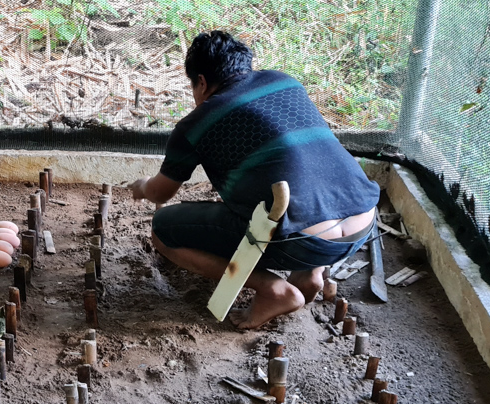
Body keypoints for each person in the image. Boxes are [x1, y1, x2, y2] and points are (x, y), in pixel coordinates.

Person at [130, 30, 379, 329]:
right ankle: (311, 273)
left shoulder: (197, 123)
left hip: (303, 242)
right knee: (306, 188)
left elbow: (160, 193)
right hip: (363, 222)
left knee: (163, 230)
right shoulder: (284, 82)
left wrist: (142, 186)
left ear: (202, 82)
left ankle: (273, 289)